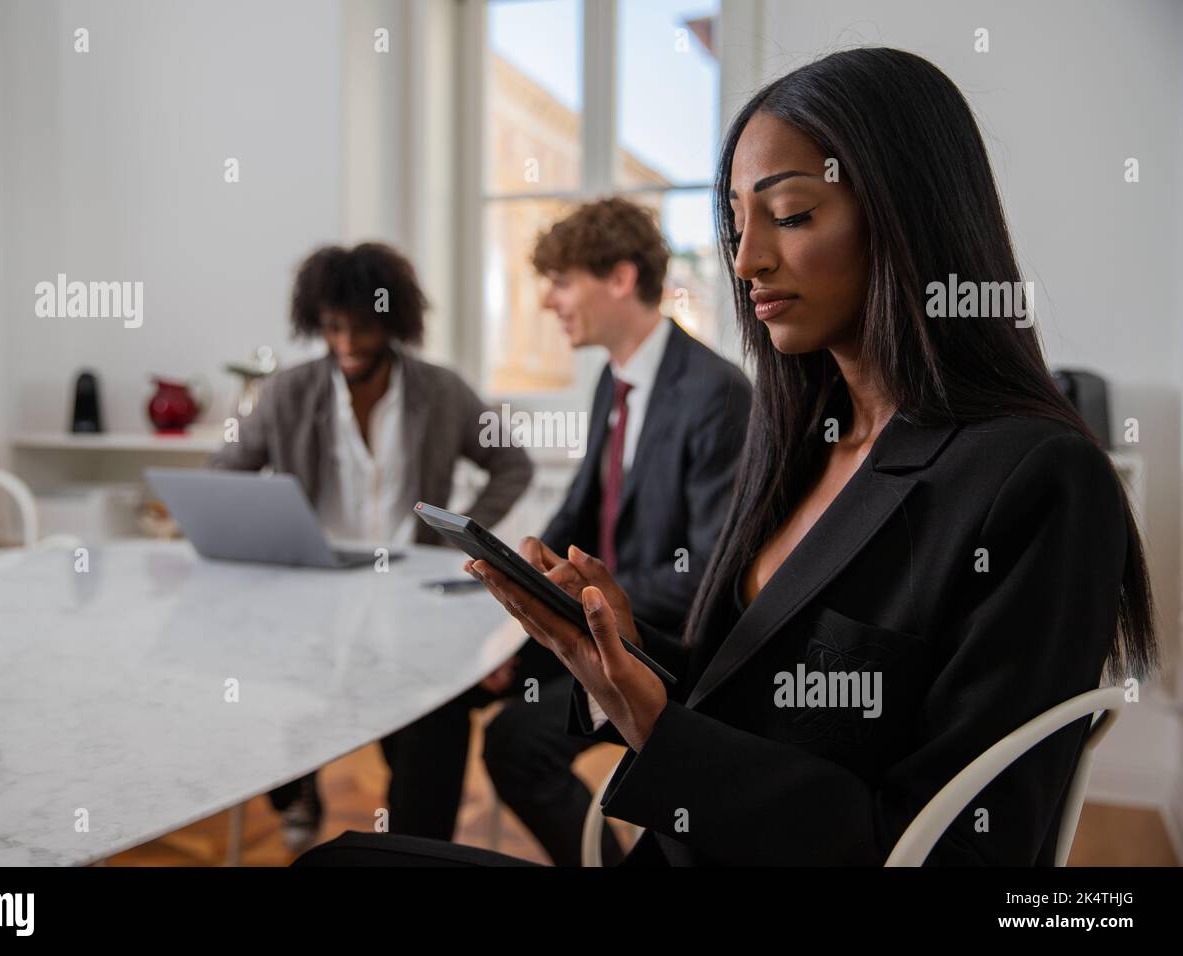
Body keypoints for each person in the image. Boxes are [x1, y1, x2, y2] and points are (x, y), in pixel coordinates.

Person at [295, 47, 1158, 866]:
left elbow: (953, 852)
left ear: (911, 213)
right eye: (736, 222)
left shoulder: (1038, 482)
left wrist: (652, 720)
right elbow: (752, 690)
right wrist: (625, 655)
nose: (746, 260)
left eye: (790, 215)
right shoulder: (800, 442)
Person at [209, 241, 533, 850]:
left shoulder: (441, 391)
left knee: (433, 721)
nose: (349, 344)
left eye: (362, 328)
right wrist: (269, 527)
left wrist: (457, 535)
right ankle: (294, 784)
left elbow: (512, 465)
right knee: (262, 687)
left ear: (392, 321)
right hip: (314, 591)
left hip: (413, 590)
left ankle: (417, 848)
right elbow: (225, 472)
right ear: (317, 323)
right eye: (333, 329)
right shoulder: (287, 393)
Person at [480, 197, 751, 865]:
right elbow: (578, 509)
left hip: (659, 649)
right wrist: (520, 578)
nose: (549, 301)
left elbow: (709, 574)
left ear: (622, 279)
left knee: (516, 742)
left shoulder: (715, 393)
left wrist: (566, 604)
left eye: (563, 280)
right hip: (598, 620)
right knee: (446, 684)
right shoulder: (615, 378)